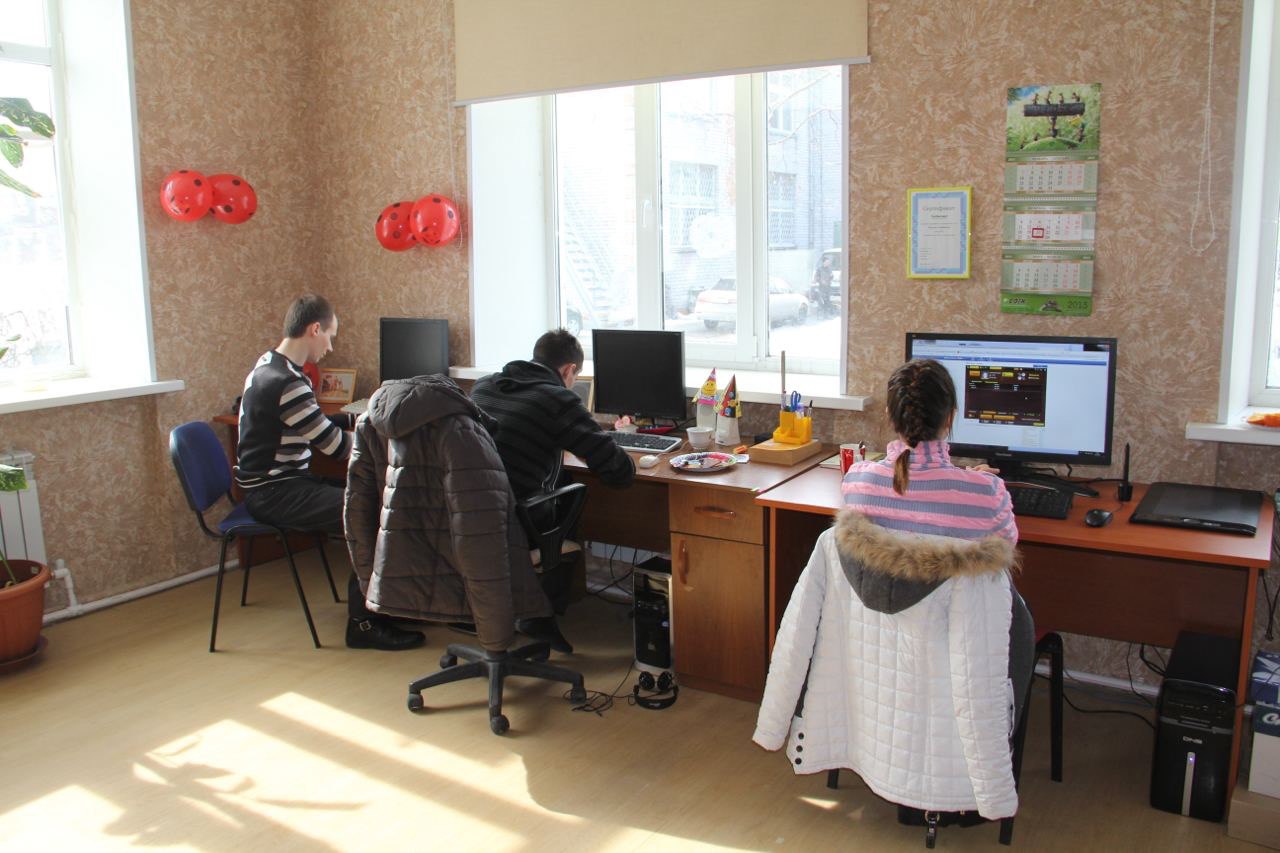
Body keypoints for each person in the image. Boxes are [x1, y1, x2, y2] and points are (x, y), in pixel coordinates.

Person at [753, 358, 1032, 823]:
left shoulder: (859, 481)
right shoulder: (985, 493)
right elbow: (1004, 549)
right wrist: (980, 478)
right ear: (950, 417)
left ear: (890, 416)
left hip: (876, 671)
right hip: (951, 663)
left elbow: (905, 495)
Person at [236, 294, 424, 651]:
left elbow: (309, 424)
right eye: (330, 336)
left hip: (276, 484)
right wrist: (381, 439)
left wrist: (356, 421)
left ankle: (383, 602)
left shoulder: (268, 365)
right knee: (369, 512)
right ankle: (363, 623)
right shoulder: (288, 383)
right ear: (314, 329)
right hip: (276, 492)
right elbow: (337, 448)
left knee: (369, 498)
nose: (330, 346)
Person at [344, 374, 556, 654]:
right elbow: (481, 536)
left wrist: (368, 586)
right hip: (458, 550)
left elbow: (357, 512)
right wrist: (496, 638)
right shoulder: (461, 430)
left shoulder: (368, 420)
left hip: (407, 551)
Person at [470, 329, 635, 616]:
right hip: (516, 519)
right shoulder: (556, 399)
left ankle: (534, 606)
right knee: (570, 492)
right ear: (569, 370)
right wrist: (588, 445)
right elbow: (619, 472)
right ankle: (542, 612)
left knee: (565, 479)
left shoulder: (483, 386)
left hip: (470, 512)